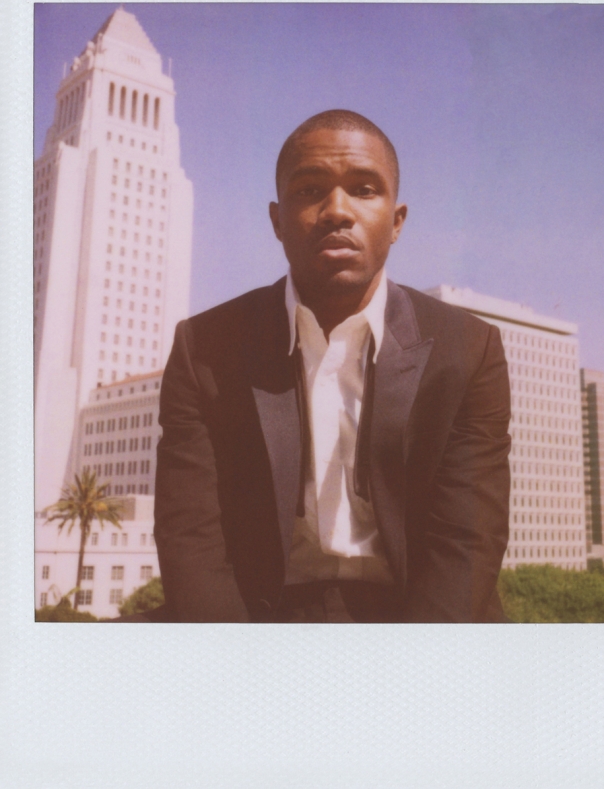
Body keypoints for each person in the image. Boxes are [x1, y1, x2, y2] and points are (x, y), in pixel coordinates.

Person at [153, 109, 511, 623]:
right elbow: (191, 536)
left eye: (364, 190)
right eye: (309, 190)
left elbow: (467, 541)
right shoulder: (204, 348)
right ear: (277, 221)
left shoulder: (468, 350)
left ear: (397, 221)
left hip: (414, 613)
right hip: (261, 616)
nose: (336, 211)